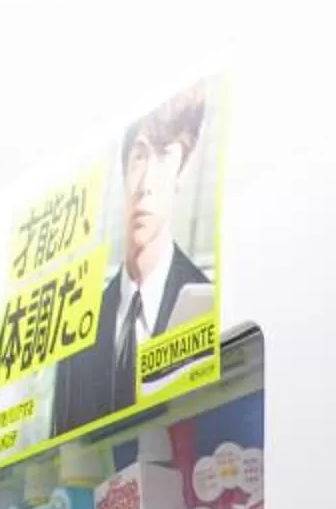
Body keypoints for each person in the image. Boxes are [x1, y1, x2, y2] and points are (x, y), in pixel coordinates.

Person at [51, 85, 215, 438]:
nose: (145, 185)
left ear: (182, 170)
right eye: (139, 157)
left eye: (163, 156)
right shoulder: (77, 334)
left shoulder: (205, 303)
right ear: (124, 169)